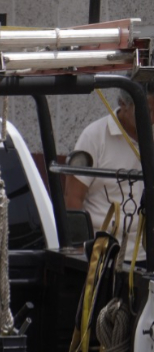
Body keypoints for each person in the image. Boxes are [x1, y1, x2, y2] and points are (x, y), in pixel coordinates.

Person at [65, 84, 154, 261]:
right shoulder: (94, 136)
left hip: (145, 253)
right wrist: (80, 248)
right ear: (123, 104)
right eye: (147, 111)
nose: (151, 118)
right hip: (102, 252)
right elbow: (72, 198)